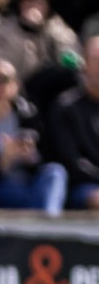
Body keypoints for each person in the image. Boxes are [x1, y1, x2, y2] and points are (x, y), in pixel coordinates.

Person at [0, 58, 66, 213]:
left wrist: (32, 156)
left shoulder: (29, 114)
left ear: (16, 85)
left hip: (29, 181)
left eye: (5, 79)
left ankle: (45, 220)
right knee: (29, 197)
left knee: (55, 172)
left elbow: (47, 156)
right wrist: (3, 161)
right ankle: (46, 223)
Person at [46, 36, 99, 211]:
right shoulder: (66, 106)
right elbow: (72, 162)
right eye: (96, 60)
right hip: (83, 187)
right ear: (84, 65)